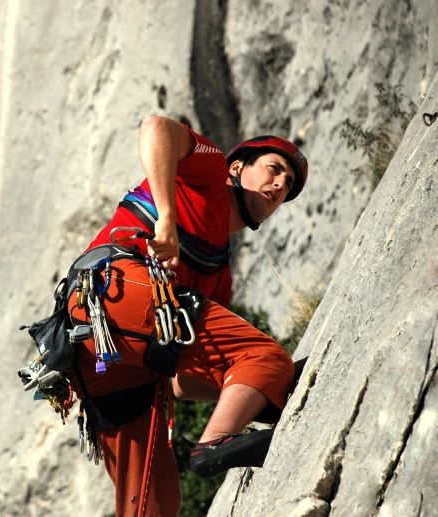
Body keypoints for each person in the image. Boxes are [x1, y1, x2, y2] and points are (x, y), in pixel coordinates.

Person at [66, 115, 309, 516]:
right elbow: (155, 127)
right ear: (237, 167)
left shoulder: (220, 280)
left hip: (98, 356)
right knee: (266, 357)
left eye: (288, 186)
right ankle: (215, 443)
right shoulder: (209, 175)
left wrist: (258, 395)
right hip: (113, 289)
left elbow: (182, 383)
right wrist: (166, 216)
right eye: (274, 168)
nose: (280, 185)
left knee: (155, 504)